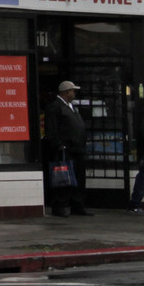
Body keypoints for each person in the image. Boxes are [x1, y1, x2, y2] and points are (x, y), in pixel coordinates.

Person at [45, 81, 90, 217]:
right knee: (63, 179)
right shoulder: (55, 107)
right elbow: (51, 128)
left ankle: (77, 205)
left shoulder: (71, 107)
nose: (74, 93)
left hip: (77, 149)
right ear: (65, 92)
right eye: (72, 91)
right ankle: (60, 206)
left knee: (78, 178)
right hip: (65, 150)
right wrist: (59, 144)